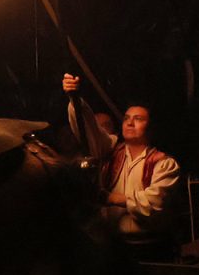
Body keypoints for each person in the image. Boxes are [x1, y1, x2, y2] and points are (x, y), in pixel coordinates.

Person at [62, 73, 181, 261]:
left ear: (151, 127)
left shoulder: (164, 164)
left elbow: (154, 204)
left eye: (138, 119)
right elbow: (89, 129)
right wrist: (75, 98)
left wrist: (113, 198)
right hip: (114, 248)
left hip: (151, 249)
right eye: (126, 118)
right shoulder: (109, 150)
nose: (130, 122)